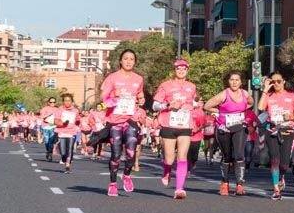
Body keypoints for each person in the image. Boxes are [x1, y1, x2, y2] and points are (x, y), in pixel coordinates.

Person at [100, 49, 146, 197]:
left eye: (131, 59)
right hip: (115, 121)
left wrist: (141, 99)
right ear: (120, 61)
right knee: (116, 154)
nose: (128, 61)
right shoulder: (112, 78)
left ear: (135, 62)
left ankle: (126, 175)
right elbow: (103, 98)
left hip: (130, 119)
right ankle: (113, 183)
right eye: (125, 58)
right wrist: (114, 95)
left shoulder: (138, 79)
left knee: (132, 151)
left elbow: (140, 95)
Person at [152, 58, 199, 200]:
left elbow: (192, 101)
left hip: (185, 125)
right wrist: (167, 106)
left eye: (183, 69)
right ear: (175, 70)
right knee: (169, 159)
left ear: (187, 70)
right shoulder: (166, 85)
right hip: (168, 125)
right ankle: (166, 170)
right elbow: (155, 106)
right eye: (178, 68)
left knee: (183, 157)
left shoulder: (192, 86)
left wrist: (196, 104)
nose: (181, 71)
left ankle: (179, 189)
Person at [205, 72, 253, 197]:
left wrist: (240, 111)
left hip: (239, 127)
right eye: (232, 80)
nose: (234, 82)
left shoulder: (245, 94)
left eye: (237, 80)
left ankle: (239, 184)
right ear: (228, 81)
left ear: (241, 82)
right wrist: (221, 111)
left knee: (239, 155)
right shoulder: (223, 94)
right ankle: (224, 183)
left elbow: (251, 103)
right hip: (224, 128)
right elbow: (207, 105)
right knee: (227, 156)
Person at [259, 73, 294, 200]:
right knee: (275, 160)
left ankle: (282, 175)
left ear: (283, 81)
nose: (276, 84)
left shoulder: (292, 96)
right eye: (273, 81)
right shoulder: (269, 96)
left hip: (287, 130)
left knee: (284, 164)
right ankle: (276, 189)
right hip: (272, 130)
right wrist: (265, 90)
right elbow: (261, 107)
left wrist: (290, 117)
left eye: (278, 81)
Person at [53, 93, 81, 174]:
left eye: (69, 101)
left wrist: (78, 121)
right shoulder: (60, 109)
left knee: (70, 149)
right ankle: (64, 159)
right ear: (63, 102)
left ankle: (68, 166)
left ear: (72, 101)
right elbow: (56, 120)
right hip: (62, 131)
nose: (67, 102)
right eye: (65, 101)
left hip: (71, 131)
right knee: (63, 151)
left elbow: (78, 119)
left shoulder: (75, 110)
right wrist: (62, 123)